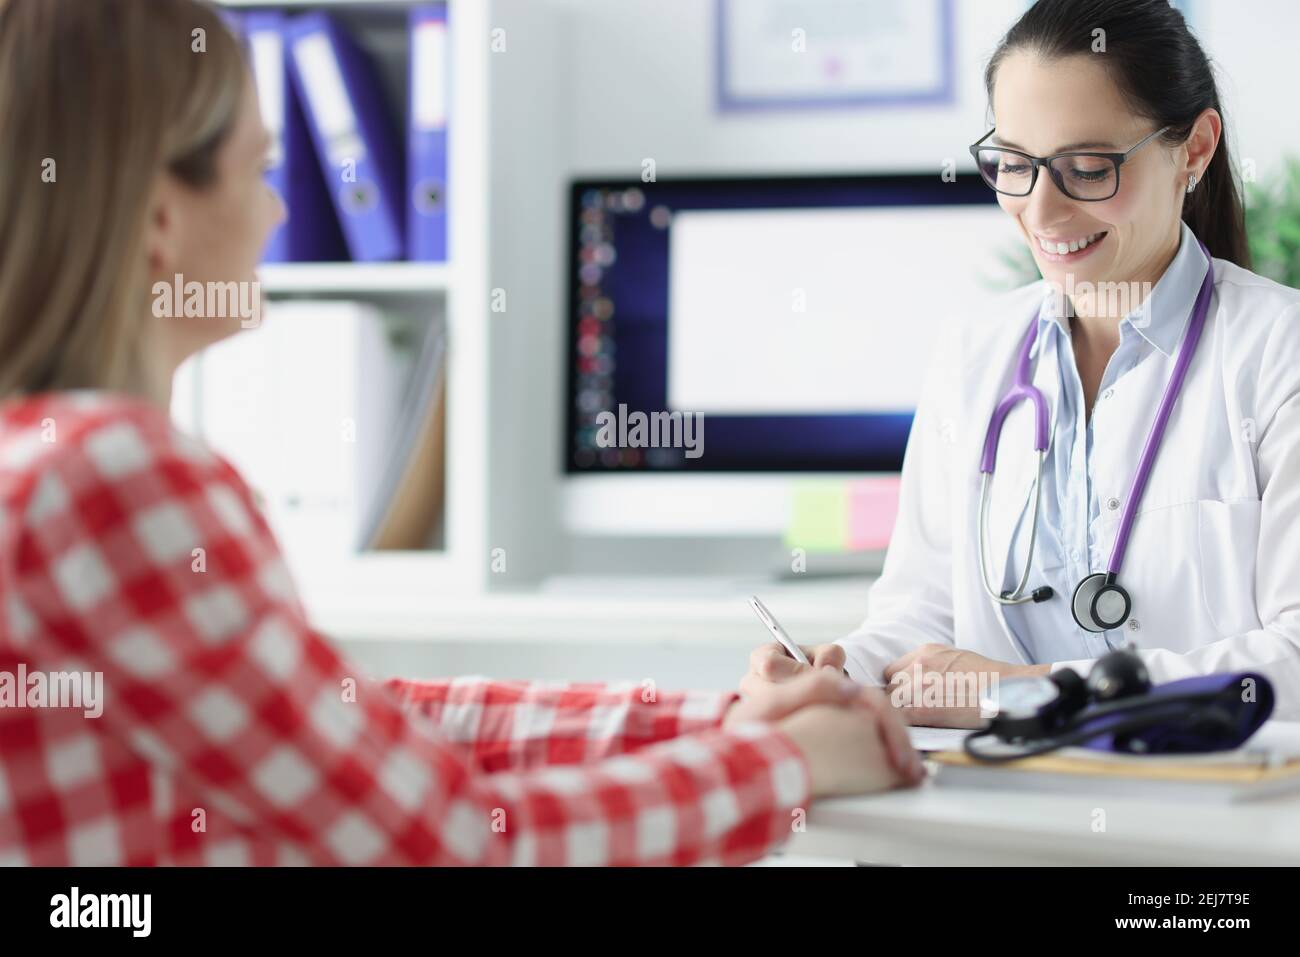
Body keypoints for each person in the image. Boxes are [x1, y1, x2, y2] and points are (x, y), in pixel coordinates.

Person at [0, 0, 922, 867]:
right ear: (162, 218)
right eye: (259, 171)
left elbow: (351, 732)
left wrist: (725, 718)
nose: (279, 212)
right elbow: (450, 844)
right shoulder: (114, 479)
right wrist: (788, 767)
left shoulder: (39, 457)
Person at [745, 0, 1300, 725]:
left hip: (1201, 825)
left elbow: (1291, 661)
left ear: (1193, 149)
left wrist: (1026, 691)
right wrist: (845, 670)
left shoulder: (1278, 353)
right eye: (1013, 164)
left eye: (1087, 168)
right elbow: (921, 613)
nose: (1040, 212)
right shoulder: (973, 354)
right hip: (992, 810)